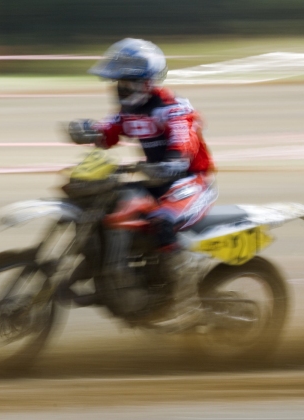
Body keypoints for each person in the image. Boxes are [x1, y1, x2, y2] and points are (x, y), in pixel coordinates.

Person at [68, 38, 217, 315]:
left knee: (161, 221)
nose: (118, 88)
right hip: (154, 180)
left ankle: (185, 301)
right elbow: (108, 131)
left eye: (124, 82)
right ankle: (117, 271)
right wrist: (88, 130)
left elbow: (183, 141)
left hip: (189, 181)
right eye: (116, 82)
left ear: (144, 82)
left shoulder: (174, 109)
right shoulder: (130, 111)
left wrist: (173, 162)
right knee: (110, 207)